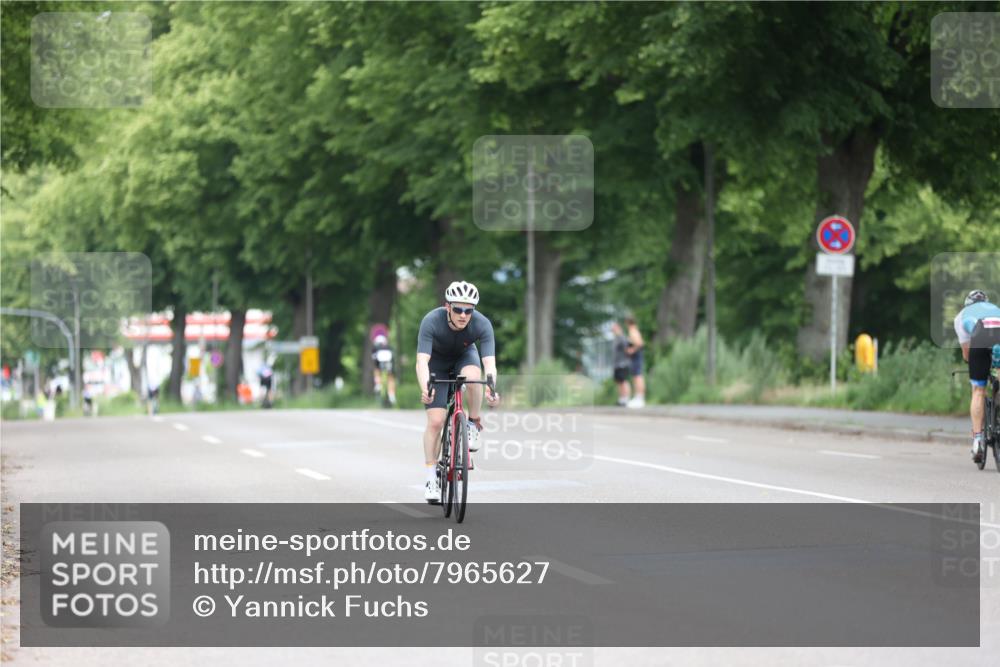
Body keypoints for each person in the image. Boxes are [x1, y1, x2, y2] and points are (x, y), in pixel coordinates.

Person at [415, 281, 501, 502]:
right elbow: (422, 362)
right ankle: (431, 478)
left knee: (474, 377)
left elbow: (489, 364)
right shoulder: (431, 321)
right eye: (458, 309)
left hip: (465, 357)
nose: (463, 315)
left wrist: (492, 387)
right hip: (437, 364)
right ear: (447, 307)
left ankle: (472, 423)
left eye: (469, 310)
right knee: (435, 421)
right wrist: (426, 387)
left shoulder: (482, 324)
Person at [954, 289, 1000, 463]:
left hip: (980, 336)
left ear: (967, 303)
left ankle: (978, 441)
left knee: (978, 390)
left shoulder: (961, 316)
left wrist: (975, 365)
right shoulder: (995, 308)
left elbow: (966, 354)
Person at [624, 315, 646, 408]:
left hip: (636, 356)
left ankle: (640, 397)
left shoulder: (633, 331)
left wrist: (631, 350)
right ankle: (638, 396)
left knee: (638, 376)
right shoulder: (634, 330)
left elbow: (640, 343)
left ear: (627, 322)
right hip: (635, 357)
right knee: (636, 376)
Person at [371, 333, 397, 406]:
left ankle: (378, 383)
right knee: (390, 377)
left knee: (377, 370)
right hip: (389, 361)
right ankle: (391, 394)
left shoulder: (375, 348)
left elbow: (373, 357)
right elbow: (393, 355)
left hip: (380, 360)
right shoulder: (389, 347)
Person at [610, 322, 632, 406]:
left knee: (624, 381)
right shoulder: (616, 338)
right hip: (616, 364)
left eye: (614, 328)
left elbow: (628, 349)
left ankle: (626, 398)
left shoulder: (622, 338)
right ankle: (622, 398)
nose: (613, 330)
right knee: (619, 381)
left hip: (623, 363)